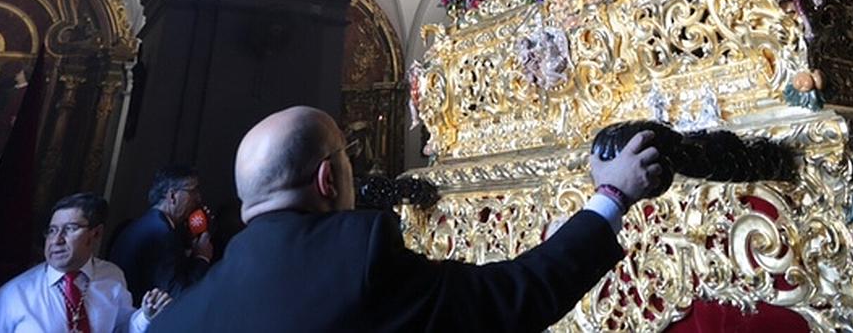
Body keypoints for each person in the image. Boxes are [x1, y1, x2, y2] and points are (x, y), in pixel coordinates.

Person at [150, 106, 665, 333]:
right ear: (328, 178)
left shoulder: (176, 319)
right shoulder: (358, 258)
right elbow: (513, 297)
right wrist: (612, 194)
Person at [0, 192, 171, 332]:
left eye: (69, 229)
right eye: (52, 230)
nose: (57, 240)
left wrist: (145, 316)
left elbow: (121, 327)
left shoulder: (111, 276)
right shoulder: (14, 295)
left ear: (96, 234)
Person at [106, 165, 212, 302]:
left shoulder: (147, 224)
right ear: (172, 196)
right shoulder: (163, 235)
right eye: (193, 191)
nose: (198, 198)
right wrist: (202, 258)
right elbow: (177, 296)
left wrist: (190, 241)